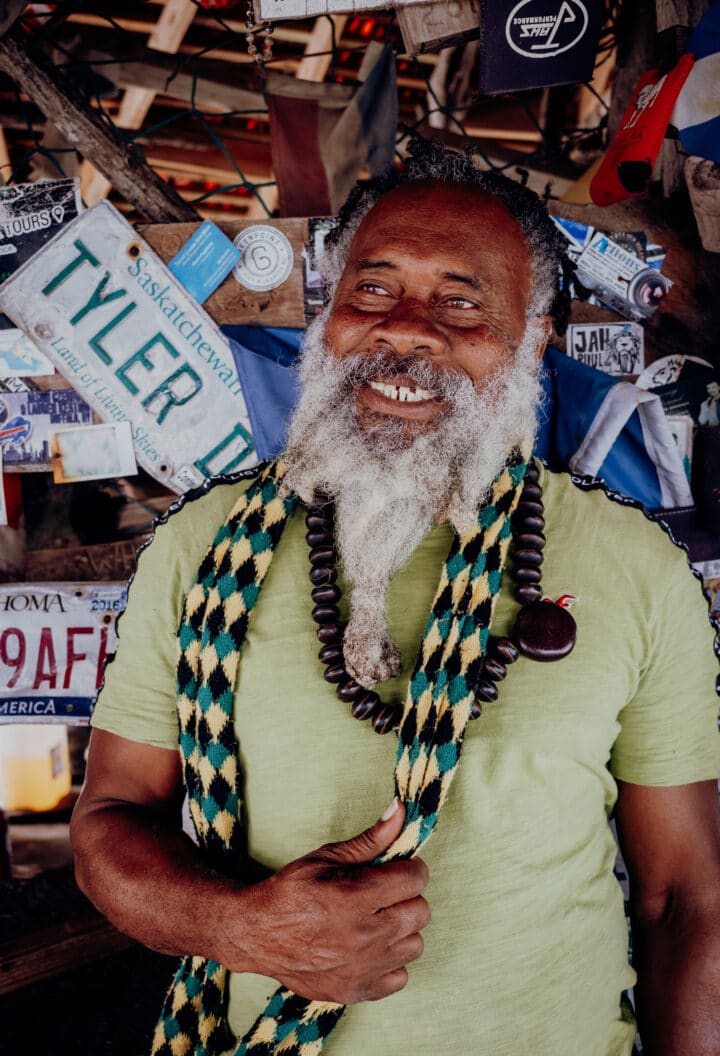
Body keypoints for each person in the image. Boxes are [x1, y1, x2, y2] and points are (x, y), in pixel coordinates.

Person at [70, 140, 720, 1056]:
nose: (406, 329)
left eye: (462, 300)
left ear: (534, 336)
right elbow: (108, 827)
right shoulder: (199, 547)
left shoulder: (636, 568)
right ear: (329, 317)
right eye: (372, 290)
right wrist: (235, 927)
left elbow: (684, 900)